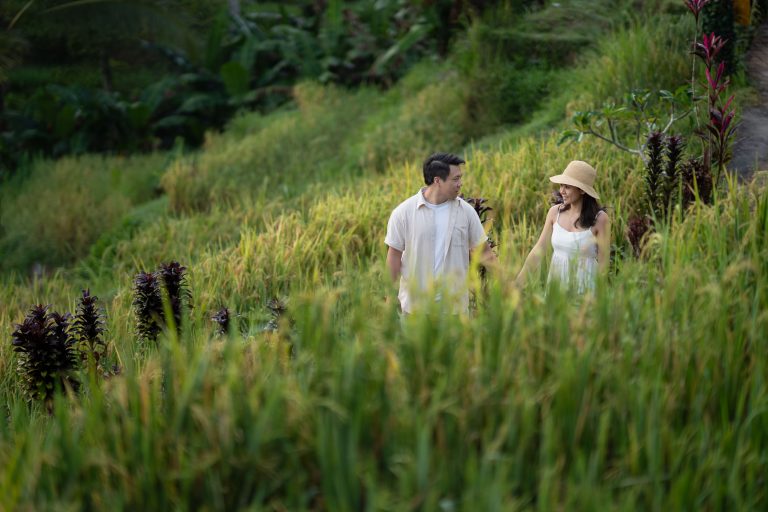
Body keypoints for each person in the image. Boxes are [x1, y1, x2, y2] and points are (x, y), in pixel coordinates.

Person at [385, 152, 495, 314]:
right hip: (415, 309)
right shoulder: (403, 213)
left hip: (454, 310)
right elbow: (394, 257)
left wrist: (508, 287)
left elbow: (485, 253)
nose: (460, 183)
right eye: (455, 179)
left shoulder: (466, 212)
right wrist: (390, 298)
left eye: (460, 178)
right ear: (437, 180)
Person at [515, 160, 610, 293]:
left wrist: (598, 298)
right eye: (561, 185)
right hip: (557, 288)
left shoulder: (600, 219)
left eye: (567, 187)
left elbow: (604, 264)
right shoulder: (555, 213)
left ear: (582, 190)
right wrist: (518, 282)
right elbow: (539, 249)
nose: (562, 191)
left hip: (586, 290)